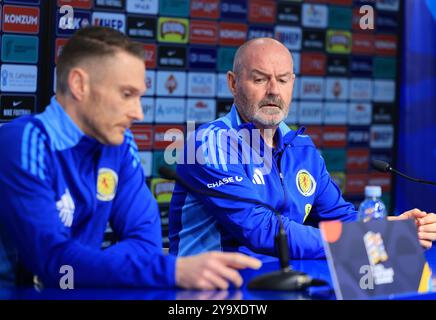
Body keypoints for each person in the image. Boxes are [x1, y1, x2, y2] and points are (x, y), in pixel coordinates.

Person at [0, 26, 261, 290]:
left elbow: (145, 243)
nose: (138, 113)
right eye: (126, 94)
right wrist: (170, 271)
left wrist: (90, 267)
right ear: (79, 85)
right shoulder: (23, 142)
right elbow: (54, 263)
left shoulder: (119, 144)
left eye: (139, 97)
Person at [168, 37, 436, 259]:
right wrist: (361, 242)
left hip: (284, 284)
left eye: (283, 80)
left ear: (293, 84)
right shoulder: (208, 144)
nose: (274, 91)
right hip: (211, 294)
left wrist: (392, 228)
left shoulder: (301, 148)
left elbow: (339, 217)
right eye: (260, 79)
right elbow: (263, 231)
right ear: (233, 83)